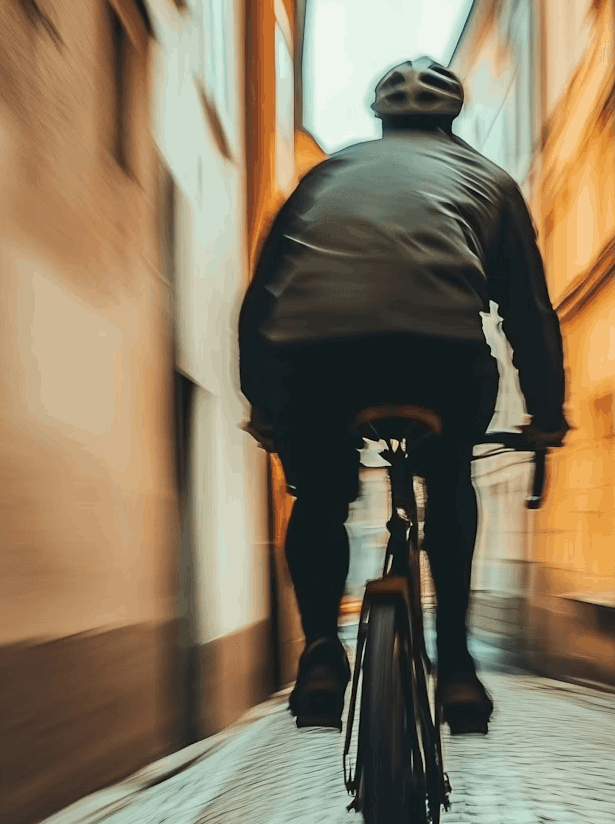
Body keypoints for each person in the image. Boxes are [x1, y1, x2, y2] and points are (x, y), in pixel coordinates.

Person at [238, 56, 567, 733]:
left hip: (312, 359)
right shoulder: (491, 181)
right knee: (447, 480)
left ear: (379, 116)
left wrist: (266, 407)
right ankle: (457, 670)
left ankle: (322, 653)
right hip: (439, 358)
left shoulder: (326, 174)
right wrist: (545, 413)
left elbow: (260, 297)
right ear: (453, 116)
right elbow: (528, 313)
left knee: (321, 496)